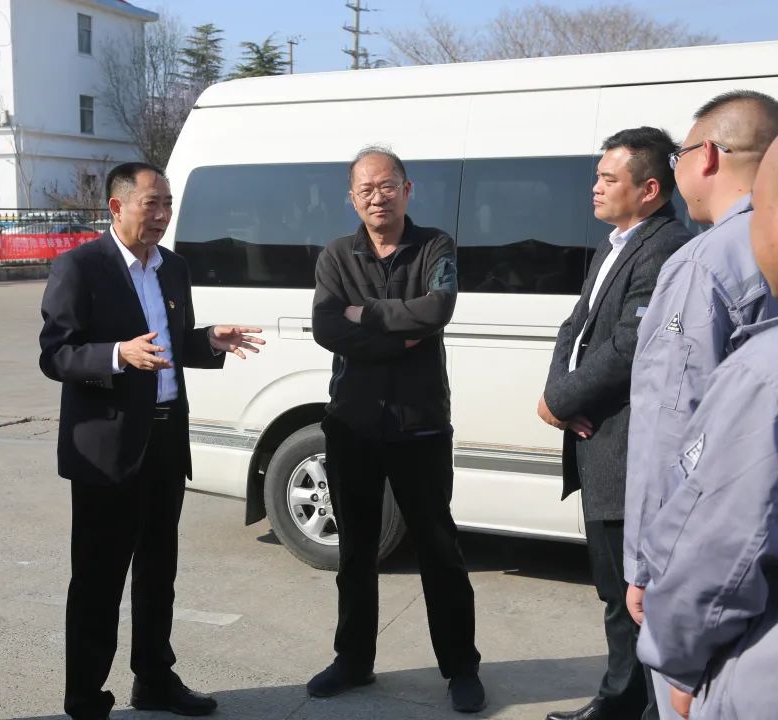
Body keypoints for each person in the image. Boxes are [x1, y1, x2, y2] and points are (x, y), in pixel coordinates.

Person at [38, 161, 265, 720]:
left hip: (165, 440)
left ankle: (155, 679)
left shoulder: (172, 267)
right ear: (116, 207)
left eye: (167, 204)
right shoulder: (79, 267)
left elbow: (169, 343)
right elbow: (56, 354)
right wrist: (118, 354)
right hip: (108, 450)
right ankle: (85, 697)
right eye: (151, 204)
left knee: (159, 571)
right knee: (98, 578)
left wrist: (207, 340)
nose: (162, 215)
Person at [308, 146, 485, 713]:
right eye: (365, 189)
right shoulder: (337, 255)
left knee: (439, 549)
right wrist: (399, 336)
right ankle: (353, 661)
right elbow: (326, 326)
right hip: (352, 425)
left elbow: (437, 310)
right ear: (352, 198)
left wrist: (365, 314)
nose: (377, 197)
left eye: (387, 186)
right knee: (356, 553)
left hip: (420, 426)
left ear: (407, 190)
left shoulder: (436, 246)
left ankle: (461, 667)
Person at [621, 90, 778, 718]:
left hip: (719, 580)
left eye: (679, 153)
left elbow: (671, 426)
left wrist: (645, 564)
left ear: (706, 155)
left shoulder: (705, 260)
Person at [539, 127, 692, 720]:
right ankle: (619, 700)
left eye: (609, 178)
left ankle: (644, 707)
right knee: (613, 588)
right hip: (597, 441)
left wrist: (561, 398)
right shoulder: (615, 245)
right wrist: (556, 395)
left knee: (637, 594)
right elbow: (574, 327)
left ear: (649, 189)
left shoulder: (665, 245)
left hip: (627, 448)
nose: (596, 187)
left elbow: (631, 345)